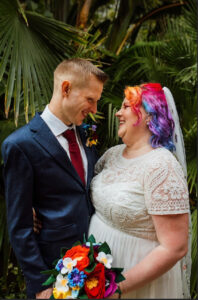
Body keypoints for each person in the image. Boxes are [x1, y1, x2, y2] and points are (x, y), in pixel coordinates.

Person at [1, 58, 108, 299]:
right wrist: (41, 286)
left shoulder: (87, 135)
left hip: (95, 268)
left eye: (97, 101)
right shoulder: (21, 145)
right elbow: (19, 227)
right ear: (66, 88)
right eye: (90, 100)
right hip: (54, 272)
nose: (94, 109)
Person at [88, 83, 191, 298]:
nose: (118, 113)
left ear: (149, 117)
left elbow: (175, 247)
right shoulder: (112, 155)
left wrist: (116, 289)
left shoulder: (162, 166)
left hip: (136, 282)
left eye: (126, 106)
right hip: (94, 272)